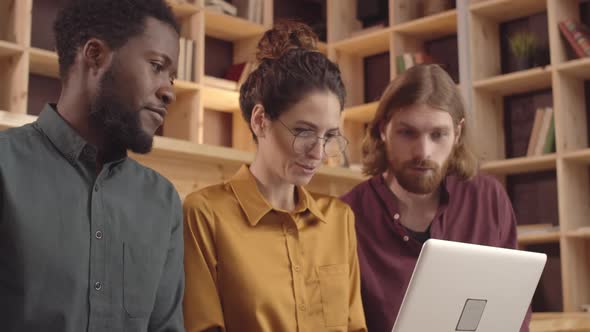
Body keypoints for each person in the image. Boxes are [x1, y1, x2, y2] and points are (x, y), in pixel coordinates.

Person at [0, 1, 185, 331]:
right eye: (157, 66)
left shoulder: (164, 202)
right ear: (96, 56)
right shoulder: (5, 169)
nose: (169, 91)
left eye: (172, 77)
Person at [182, 21, 367, 332]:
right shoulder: (204, 214)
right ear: (260, 120)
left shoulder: (339, 220)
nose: (318, 153)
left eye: (329, 136)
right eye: (304, 131)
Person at [341, 64, 532, 332]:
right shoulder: (347, 216)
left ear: (457, 134)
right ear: (384, 130)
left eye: (438, 134)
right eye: (407, 133)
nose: (423, 151)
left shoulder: (488, 198)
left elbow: (514, 307)